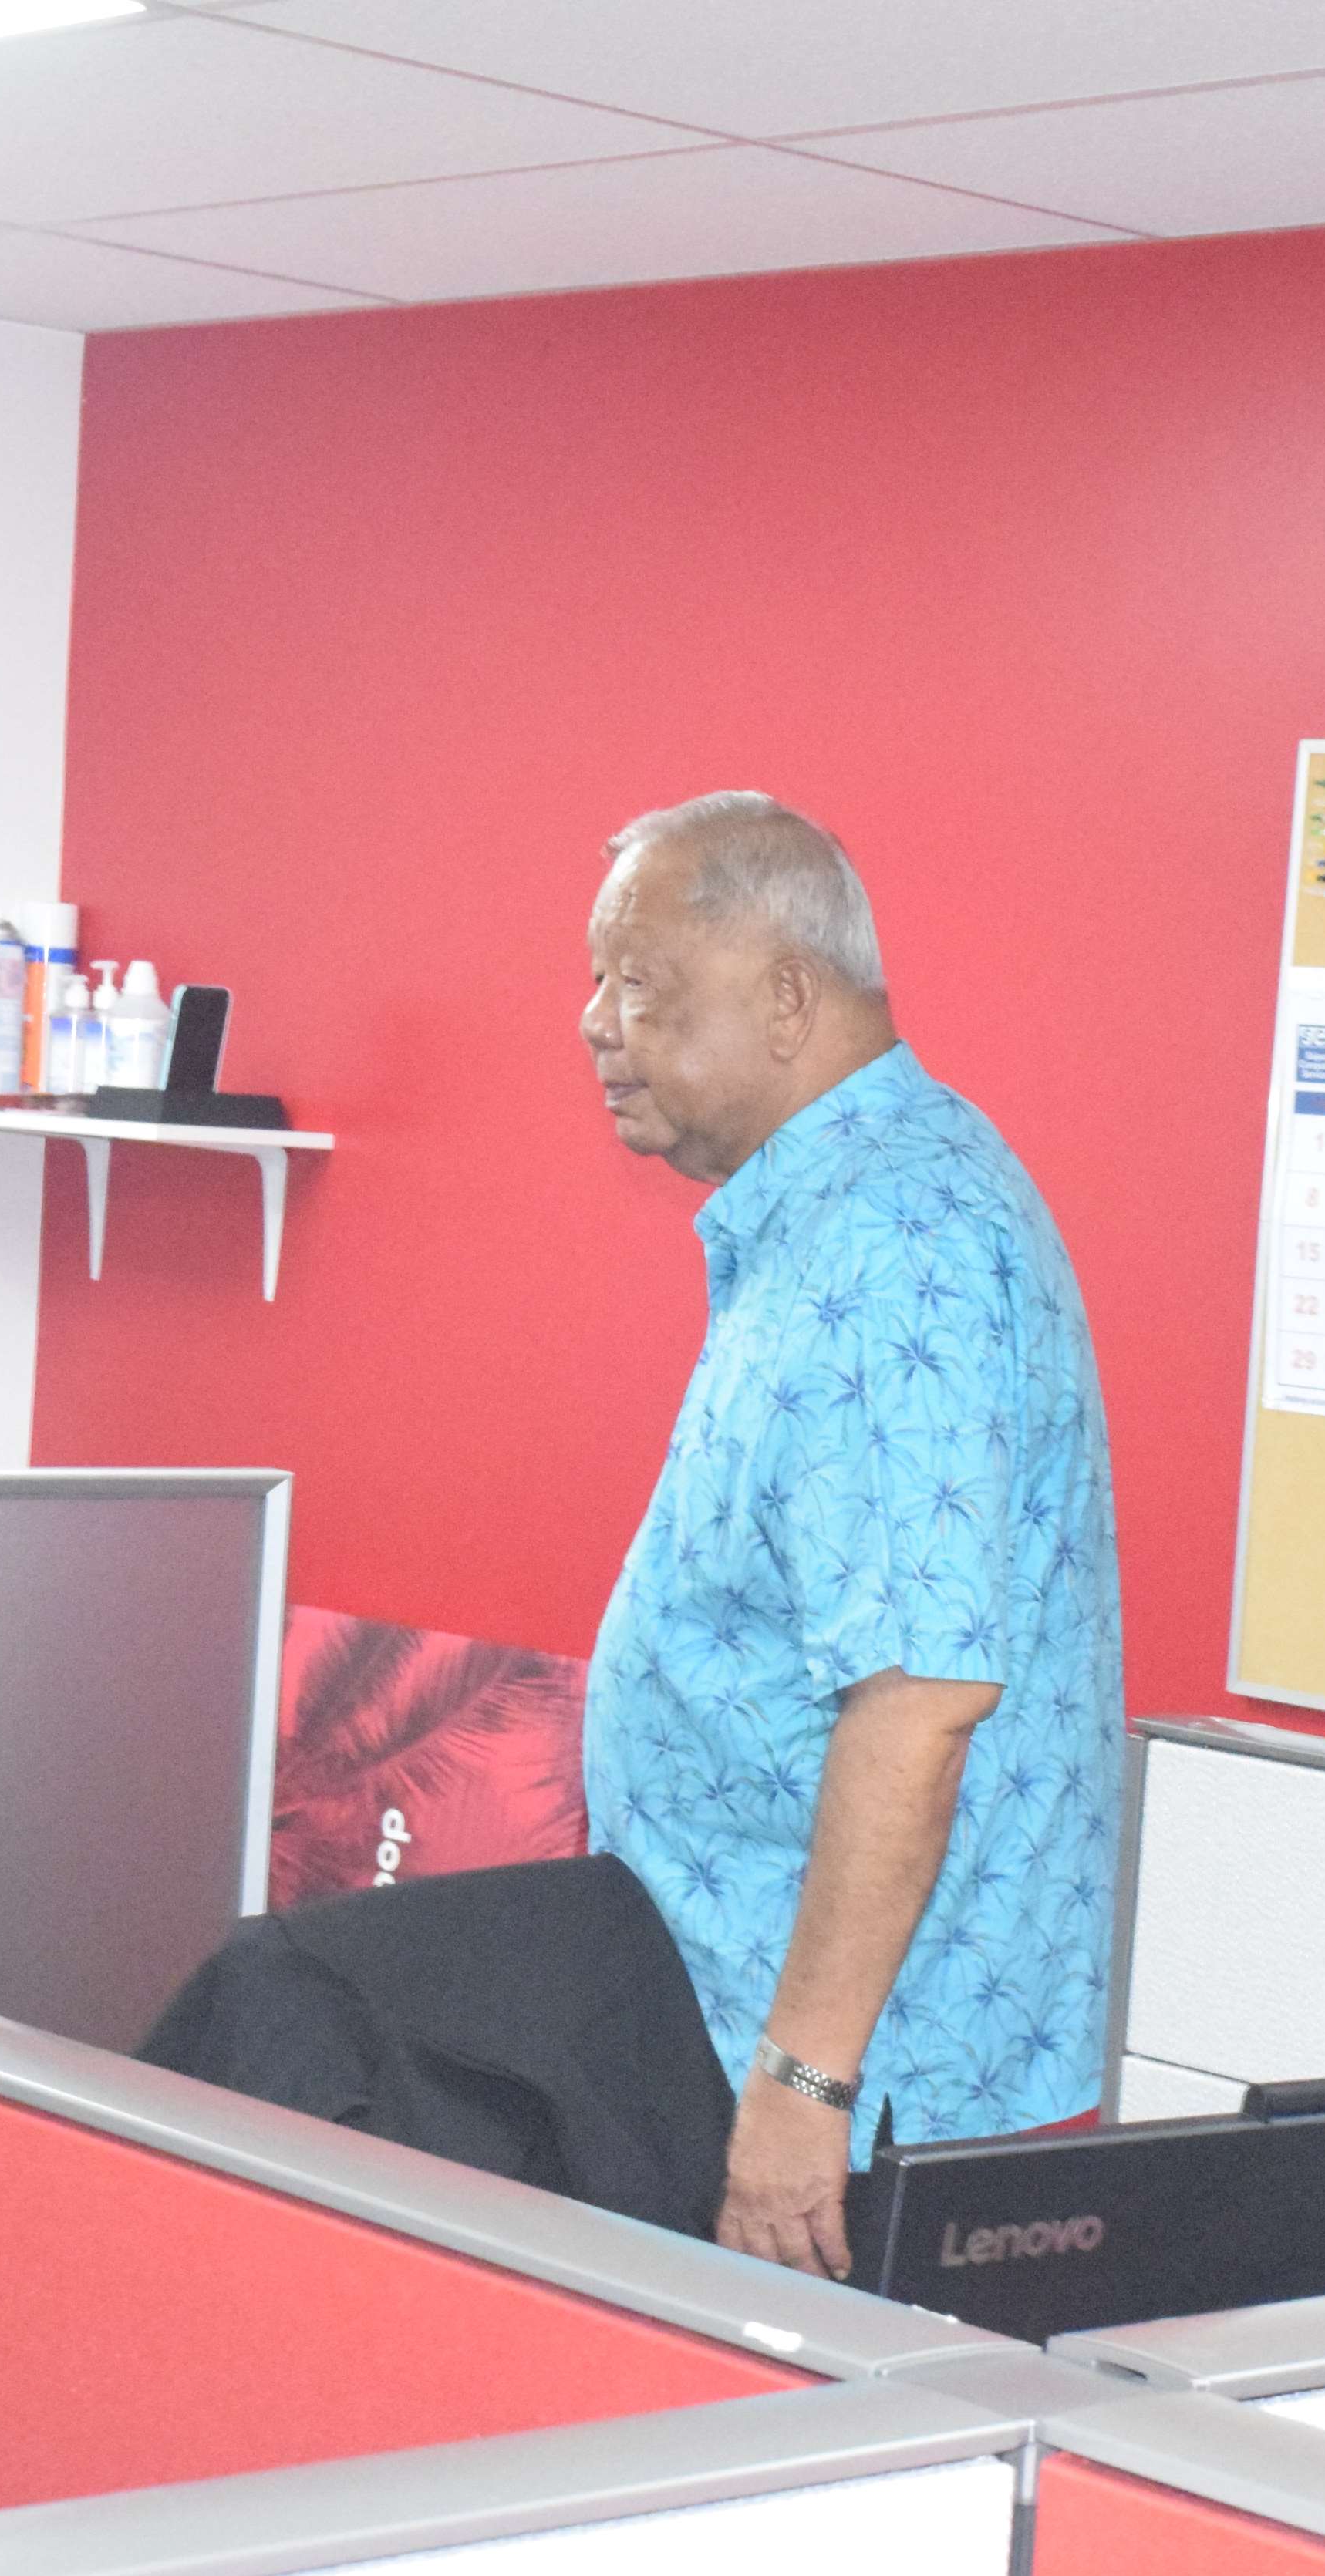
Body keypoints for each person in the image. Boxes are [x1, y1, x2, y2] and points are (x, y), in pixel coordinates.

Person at [572, 791, 1124, 2276]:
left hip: (858, 2092)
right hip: (752, 2013)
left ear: (785, 998)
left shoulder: (900, 1246)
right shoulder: (847, 1205)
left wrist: (803, 2082)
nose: (592, 1023)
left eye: (638, 984)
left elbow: (921, 1702)